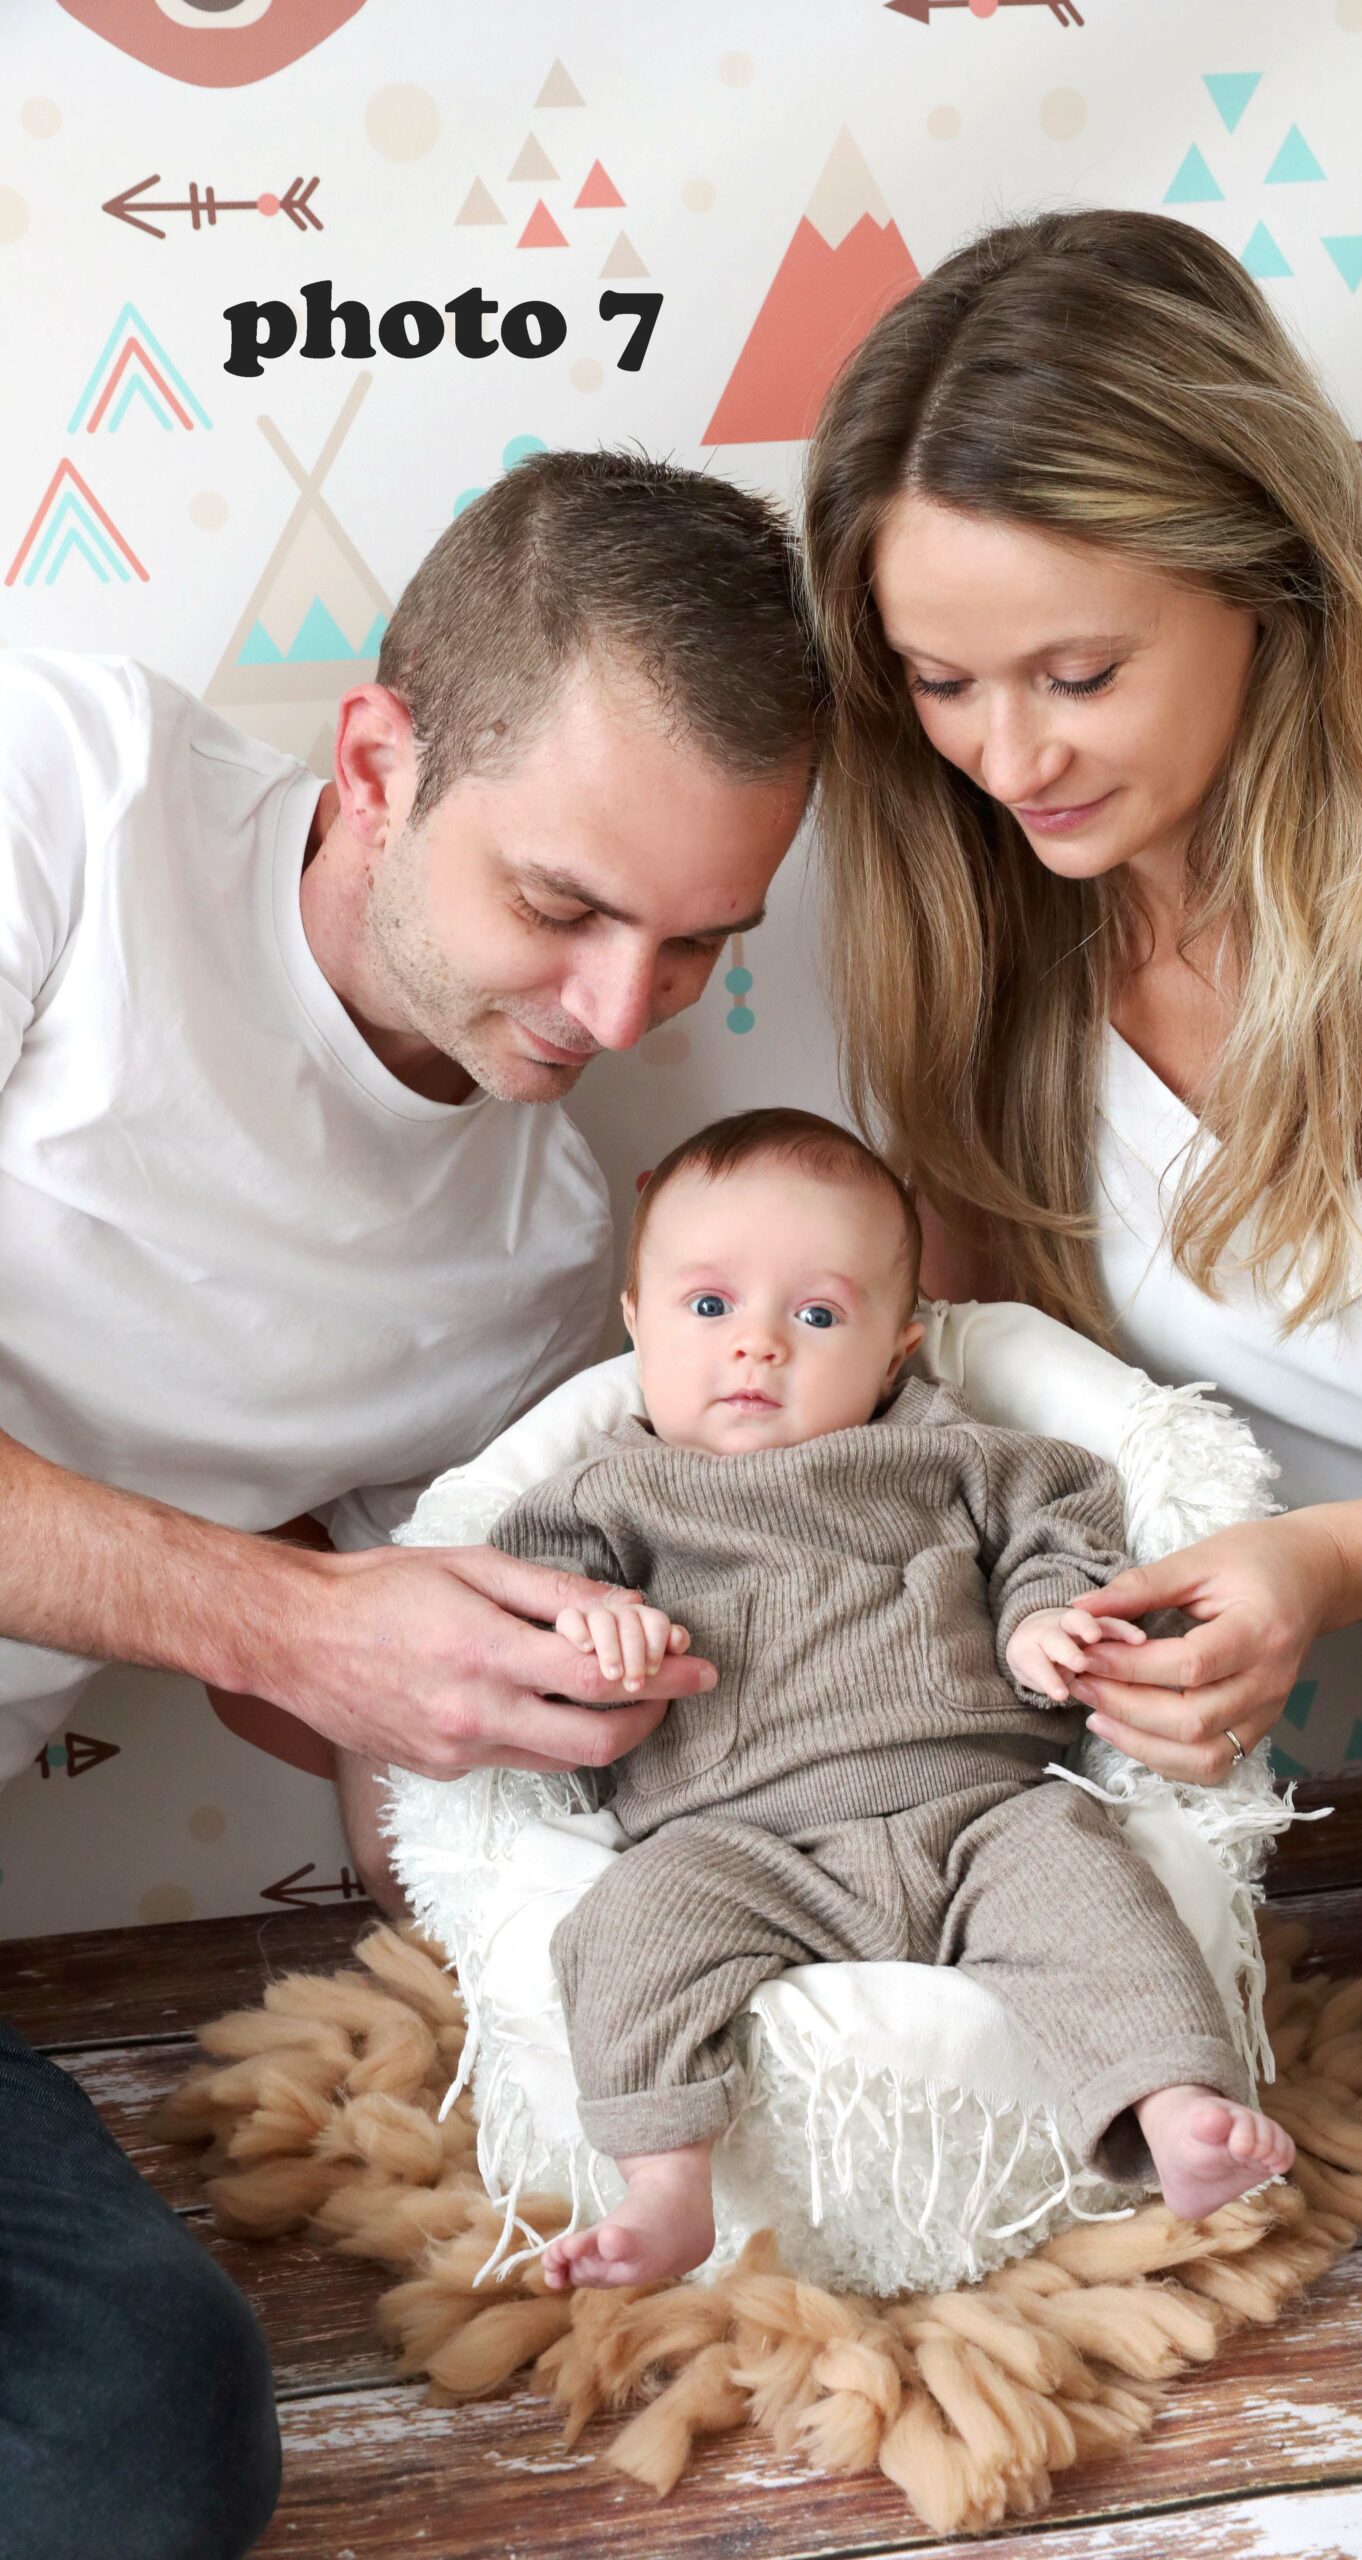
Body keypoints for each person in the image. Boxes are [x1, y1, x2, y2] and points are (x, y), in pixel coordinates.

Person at [800, 208, 1362, 2261]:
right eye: (940, 681)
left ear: (1267, 581)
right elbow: (995, 1447)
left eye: (1077, 673)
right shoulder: (983, 949)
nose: (1007, 755)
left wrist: (1342, 1559)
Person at [0, 450, 818, 2556]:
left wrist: (587, 1828)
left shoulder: (538, 1264)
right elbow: (293, 1636)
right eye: (561, 905)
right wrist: (288, 1619)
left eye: (694, 946)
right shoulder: (64, 790)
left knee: (141, 2448)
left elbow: (390, 1748)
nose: (614, 1012)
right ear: (378, 762)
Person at [475, 1107, 1292, 2289]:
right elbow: (515, 1614)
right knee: (625, 1928)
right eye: (710, 1306)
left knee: (1096, 1889)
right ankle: (665, 2182)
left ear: (898, 1349)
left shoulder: (952, 1455)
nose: (757, 1346)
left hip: (980, 1813)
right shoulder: (605, 1499)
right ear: (637, 1320)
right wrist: (591, 1626)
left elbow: (1063, 1524)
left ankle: (1174, 2109)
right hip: (734, 1842)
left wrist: (1043, 1620)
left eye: (816, 1316)